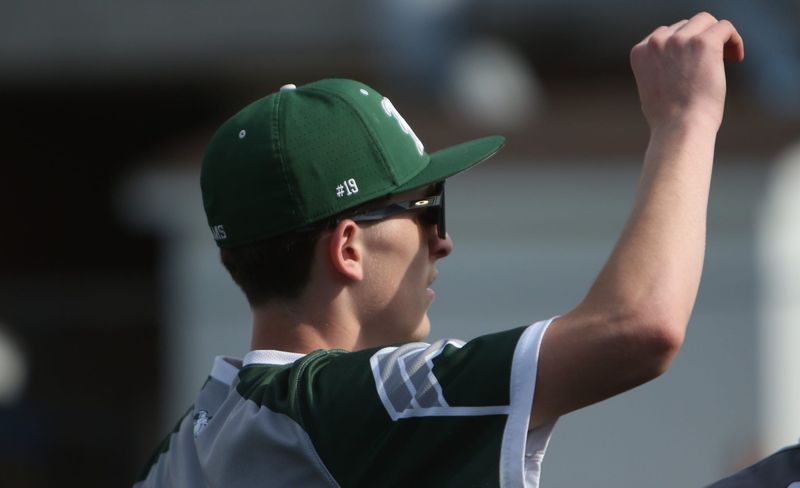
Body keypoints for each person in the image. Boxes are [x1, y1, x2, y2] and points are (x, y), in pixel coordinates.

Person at [134, 12, 744, 488]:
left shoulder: (178, 455)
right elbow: (638, 328)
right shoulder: (337, 407)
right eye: (428, 211)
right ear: (348, 248)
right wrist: (685, 118)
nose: (443, 242)